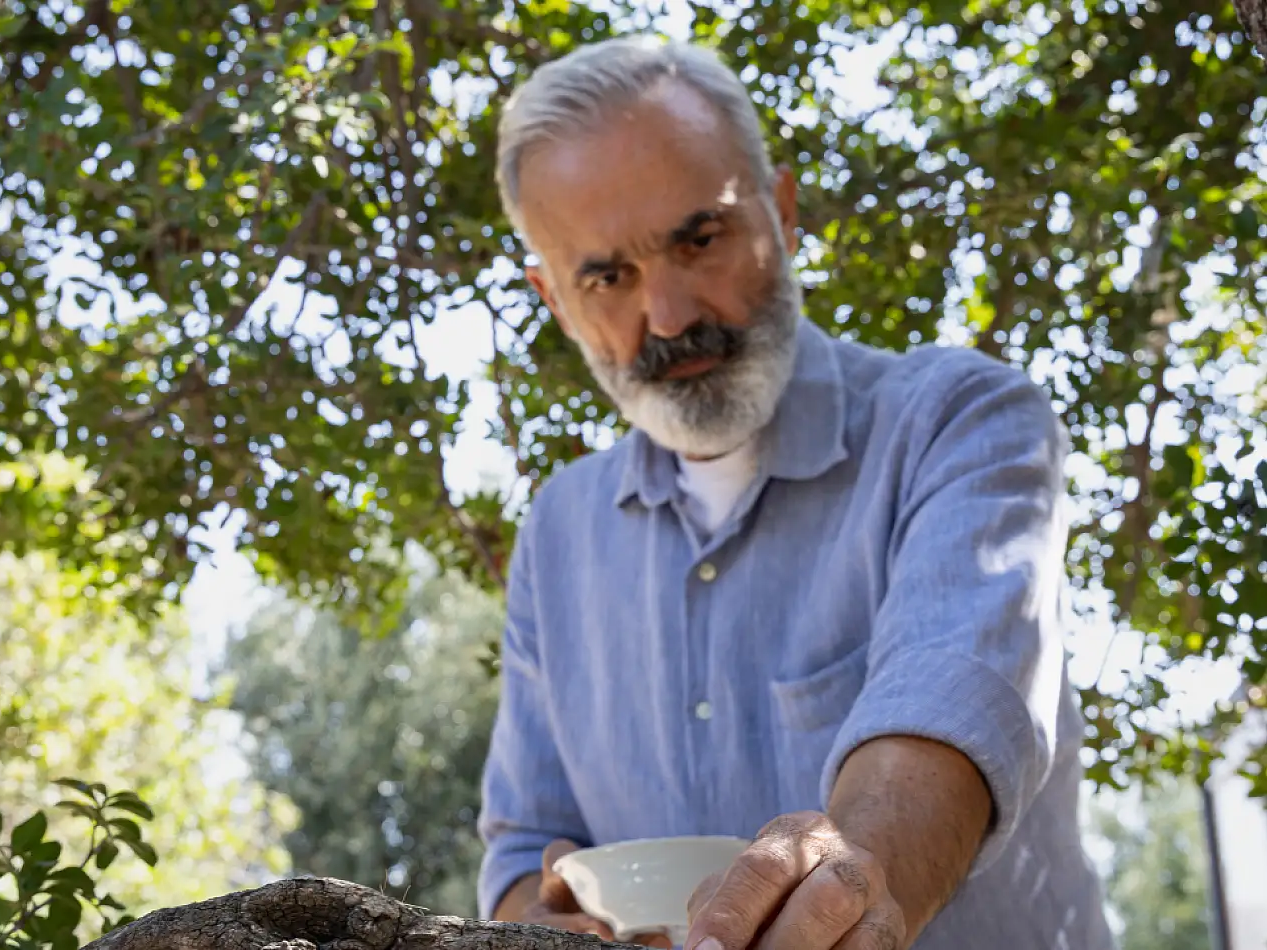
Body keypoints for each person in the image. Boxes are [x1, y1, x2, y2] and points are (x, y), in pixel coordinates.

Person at [476, 35, 1113, 950]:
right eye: (607, 276)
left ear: (780, 210)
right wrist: (537, 927)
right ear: (554, 299)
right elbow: (524, 850)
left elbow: (950, 708)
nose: (669, 315)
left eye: (699, 240)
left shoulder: (962, 420)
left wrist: (853, 876)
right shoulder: (558, 532)